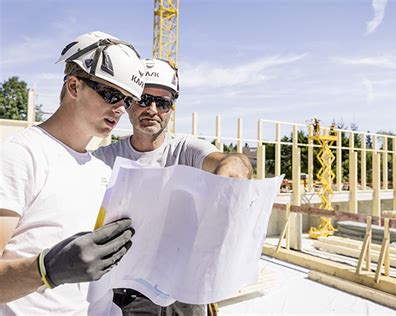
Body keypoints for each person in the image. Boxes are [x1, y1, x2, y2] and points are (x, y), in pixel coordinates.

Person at [0, 31, 146, 315]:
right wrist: (47, 270)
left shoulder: (101, 170)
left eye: (127, 101)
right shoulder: (21, 156)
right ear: (74, 86)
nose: (119, 109)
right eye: (111, 94)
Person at [93, 58, 253, 315]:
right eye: (143, 99)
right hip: (129, 295)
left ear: (172, 109)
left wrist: (233, 168)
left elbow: (226, 160)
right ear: (129, 103)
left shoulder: (186, 150)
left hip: (185, 293)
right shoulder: (106, 159)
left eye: (163, 103)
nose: (152, 109)